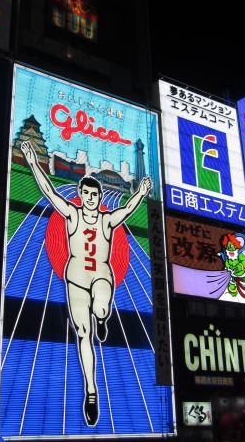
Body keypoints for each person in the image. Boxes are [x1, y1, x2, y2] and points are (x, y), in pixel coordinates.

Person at [21, 140, 152, 426]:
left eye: (95, 193)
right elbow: (49, 192)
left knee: (102, 309)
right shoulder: (71, 214)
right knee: (83, 333)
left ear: (99, 195)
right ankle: (91, 391)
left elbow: (127, 210)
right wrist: (32, 162)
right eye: (87, 193)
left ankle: (103, 317)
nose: (91, 197)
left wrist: (141, 192)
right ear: (81, 194)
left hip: (102, 275)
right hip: (76, 277)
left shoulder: (106, 220)